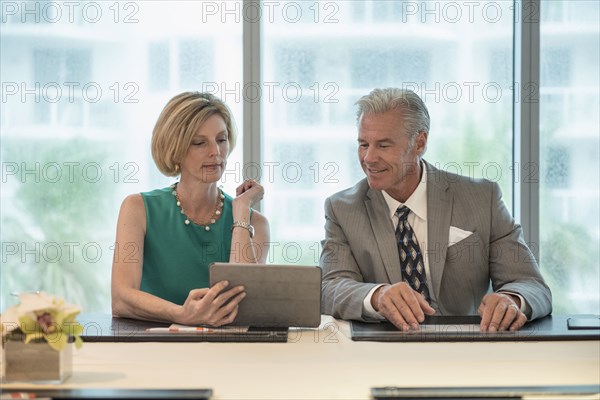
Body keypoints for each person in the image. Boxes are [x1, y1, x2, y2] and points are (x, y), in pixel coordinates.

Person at [320, 88, 552, 332]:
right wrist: (377, 296)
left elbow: (531, 285)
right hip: (382, 355)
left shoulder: (483, 199)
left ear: (419, 142)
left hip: (468, 351)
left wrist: (511, 300)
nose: (368, 157)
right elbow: (330, 287)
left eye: (384, 145)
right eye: (363, 144)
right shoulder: (343, 209)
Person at [111, 92, 269, 327]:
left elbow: (242, 306)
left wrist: (241, 210)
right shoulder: (138, 208)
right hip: (152, 351)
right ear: (176, 149)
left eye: (221, 139)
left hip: (227, 354)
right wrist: (181, 314)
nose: (215, 151)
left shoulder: (253, 222)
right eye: (199, 142)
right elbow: (121, 298)